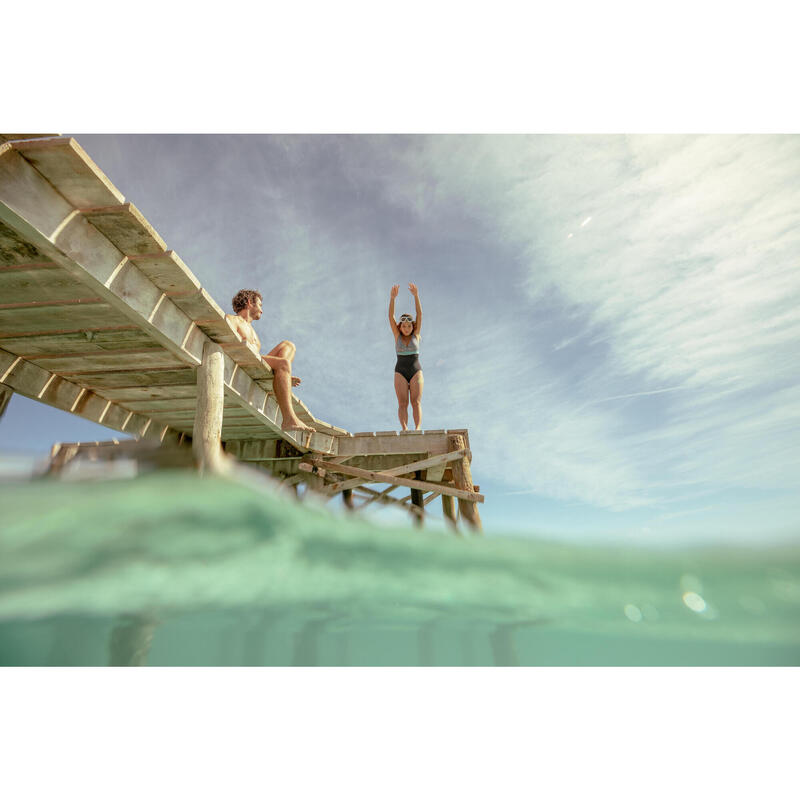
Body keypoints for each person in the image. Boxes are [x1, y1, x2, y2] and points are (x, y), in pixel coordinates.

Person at [226, 289, 314, 433]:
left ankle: (281, 376)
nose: (262, 310)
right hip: (242, 360)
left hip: (256, 362)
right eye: (259, 305)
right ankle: (289, 419)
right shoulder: (233, 319)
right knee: (283, 364)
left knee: (288, 345)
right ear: (249, 303)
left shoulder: (254, 334)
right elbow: (227, 343)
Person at [389, 283, 423, 431]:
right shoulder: (397, 336)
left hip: (416, 371)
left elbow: (419, 314)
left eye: (409, 326)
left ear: (413, 327)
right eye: (404, 326)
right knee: (403, 403)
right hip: (400, 372)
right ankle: (404, 428)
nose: (407, 328)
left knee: (416, 402)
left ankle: (417, 428)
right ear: (400, 327)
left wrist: (416, 296)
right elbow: (390, 317)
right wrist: (392, 298)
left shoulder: (416, 334)